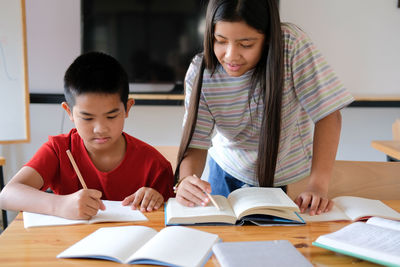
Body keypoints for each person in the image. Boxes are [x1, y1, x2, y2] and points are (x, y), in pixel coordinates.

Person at [174, 0, 354, 216]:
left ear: (268, 39)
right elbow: (196, 143)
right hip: (224, 168)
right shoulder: (201, 72)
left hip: (287, 174)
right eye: (220, 41)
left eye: (246, 44)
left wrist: (317, 185)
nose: (230, 55)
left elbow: (328, 115)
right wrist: (185, 181)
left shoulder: (291, 45)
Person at [0, 52, 174, 219]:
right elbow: (7, 195)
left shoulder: (155, 166)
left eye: (111, 116)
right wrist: (60, 205)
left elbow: (170, 220)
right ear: (69, 112)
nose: (99, 129)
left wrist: (156, 200)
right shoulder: (59, 150)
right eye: (87, 118)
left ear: (127, 108)